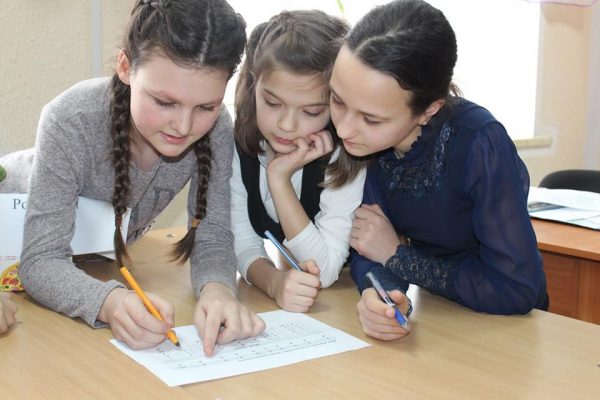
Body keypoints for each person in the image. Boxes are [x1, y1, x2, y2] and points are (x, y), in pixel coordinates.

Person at [18, 0, 264, 354]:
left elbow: (212, 237)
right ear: (125, 67)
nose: (183, 126)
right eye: (165, 102)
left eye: (206, 107)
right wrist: (111, 303)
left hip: (90, 265)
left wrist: (219, 290)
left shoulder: (216, 129)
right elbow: (40, 261)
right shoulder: (70, 119)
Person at [328, 0, 548, 340]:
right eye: (337, 100)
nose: (343, 129)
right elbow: (370, 242)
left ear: (429, 110)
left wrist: (398, 257)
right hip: (440, 319)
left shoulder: (479, 142)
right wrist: (381, 295)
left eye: (371, 119)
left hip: (505, 330)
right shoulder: (368, 142)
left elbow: (517, 290)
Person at [232, 10, 366, 312]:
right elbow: (242, 244)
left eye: (311, 112)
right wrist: (273, 282)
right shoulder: (239, 145)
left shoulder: (346, 155)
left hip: (348, 302)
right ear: (253, 86)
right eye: (272, 102)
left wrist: (279, 181)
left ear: (336, 105)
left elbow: (324, 271)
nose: (287, 125)